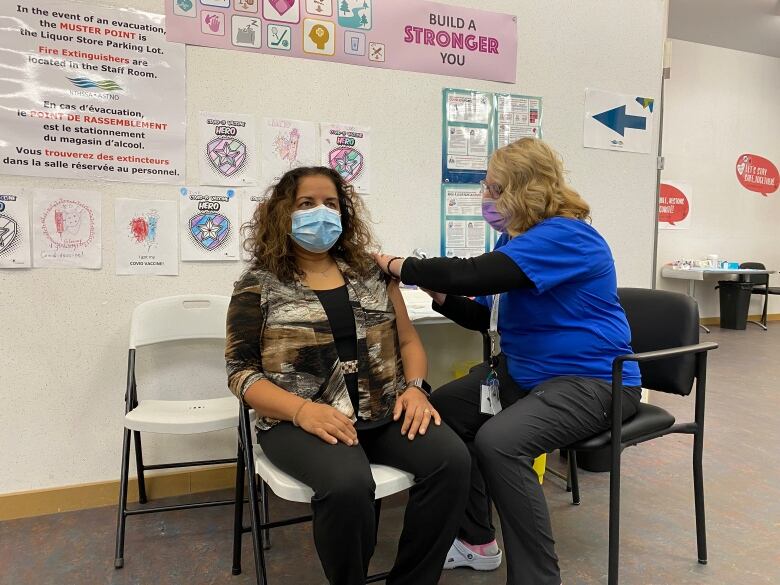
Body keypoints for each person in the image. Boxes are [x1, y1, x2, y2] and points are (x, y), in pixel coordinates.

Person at [374, 138, 642, 585]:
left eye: (494, 188)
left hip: (594, 382)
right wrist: (443, 297)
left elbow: (473, 273)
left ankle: (538, 579)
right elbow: (488, 316)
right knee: (439, 415)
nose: (486, 198)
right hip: (524, 375)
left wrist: (400, 265)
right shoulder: (517, 239)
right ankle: (477, 541)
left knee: (500, 442)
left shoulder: (568, 235)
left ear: (525, 190)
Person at [225, 166, 470, 585]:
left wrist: (415, 389)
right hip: (299, 420)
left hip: (384, 408)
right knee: (348, 486)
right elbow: (241, 373)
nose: (320, 212)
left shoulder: (372, 273)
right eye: (306, 203)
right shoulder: (258, 284)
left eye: (330, 203)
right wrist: (302, 412)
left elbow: (408, 342)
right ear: (283, 213)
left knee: (452, 460)